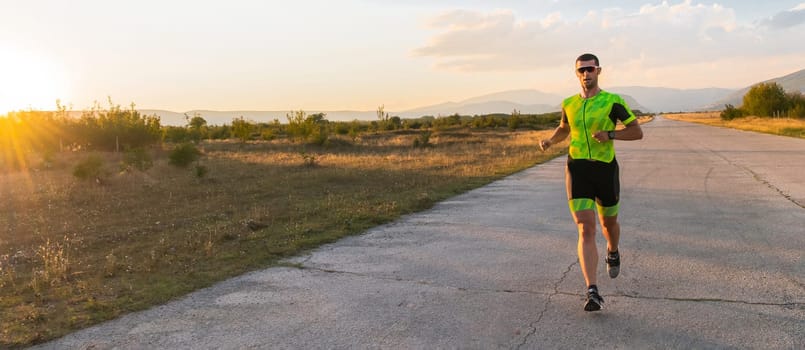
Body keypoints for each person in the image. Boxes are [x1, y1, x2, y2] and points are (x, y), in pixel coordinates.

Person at [539, 53, 643, 312]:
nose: (586, 74)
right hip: (578, 168)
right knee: (585, 228)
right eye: (581, 70)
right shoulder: (569, 103)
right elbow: (565, 127)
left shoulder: (612, 102)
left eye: (590, 69)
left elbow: (636, 131)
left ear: (599, 71)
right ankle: (592, 290)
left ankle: (613, 250)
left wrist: (610, 134)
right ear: (576, 74)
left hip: (605, 170)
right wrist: (551, 140)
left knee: (609, 224)